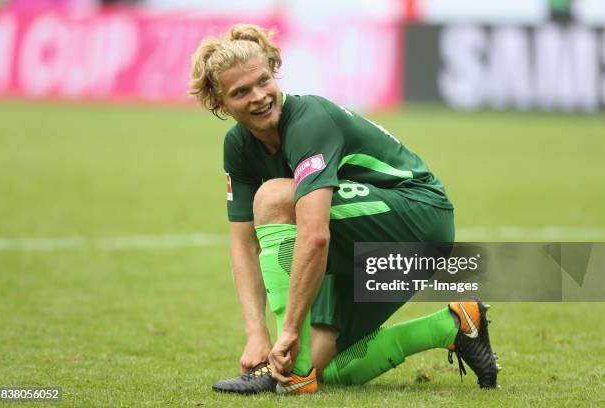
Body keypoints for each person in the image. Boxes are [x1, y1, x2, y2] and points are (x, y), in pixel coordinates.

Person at [188, 23, 500, 395]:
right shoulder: (238, 146)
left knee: (273, 198)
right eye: (240, 92)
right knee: (326, 367)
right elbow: (243, 244)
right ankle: (454, 325)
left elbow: (316, 234)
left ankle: (294, 375)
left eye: (263, 81)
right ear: (219, 103)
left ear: (273, 70)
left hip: (418, 219)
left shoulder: (308, 122)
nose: (258, 96)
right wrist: (256, 335)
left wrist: (287, 331)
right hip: (357, 244)